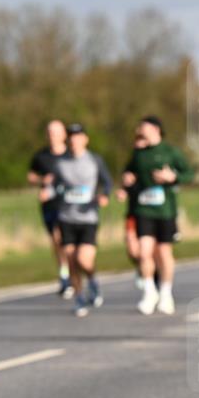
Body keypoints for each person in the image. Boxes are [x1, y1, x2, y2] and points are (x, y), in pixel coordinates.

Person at [123, 115, 194, 315]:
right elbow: (129, 173)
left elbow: (189, 174)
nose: (140, 129)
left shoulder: (170, 152)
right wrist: (127, 179)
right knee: (144, 252)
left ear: (155, 129)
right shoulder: (138, 153)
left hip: (165, 210)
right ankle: (149, 291)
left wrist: (173, 177)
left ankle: (166, 293)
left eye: (143, 126)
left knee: (164, 253)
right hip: (143, 209)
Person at [54, 123, 113, 317]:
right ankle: (79, 298)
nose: (74, 141)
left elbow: (107, 182)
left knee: (84, 259)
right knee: (71, 261)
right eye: (71, 137)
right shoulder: (60, 163)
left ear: (85, 139)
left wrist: (104, 196)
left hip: (88, 218)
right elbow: (55, 186)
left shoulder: (94, 160)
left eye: (78, 137)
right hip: (67, 217)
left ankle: (93, 281)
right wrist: (52, 191)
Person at [28, 119, 72, 298]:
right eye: (50, 133)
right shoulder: (41, 156)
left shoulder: (71, 155)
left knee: (63, 238)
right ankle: (65, 275)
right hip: (49, 205)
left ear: (64, 135)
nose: (53, 136)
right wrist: (42, 181)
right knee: (56, 241)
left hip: (69, 205)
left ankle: (71, 274)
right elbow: (31, 176)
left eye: (56, 132)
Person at [117, 133, 149, 289]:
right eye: (137, 141)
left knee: (146, 250)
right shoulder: (132, 163)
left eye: (142, 141)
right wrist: (123, 191)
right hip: (133, 212)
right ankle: (141, 267)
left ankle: (150, 272)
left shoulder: (153, 162)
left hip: (151, 213)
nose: (138, 145)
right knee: (132, 250)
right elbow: (126, 184)